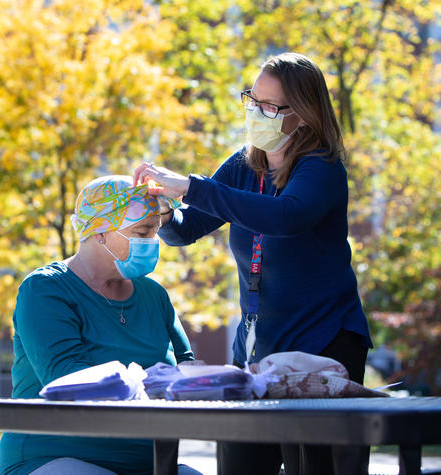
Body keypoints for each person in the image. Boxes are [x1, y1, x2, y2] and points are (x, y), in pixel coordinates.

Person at [134, 52, 373, 475]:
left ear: (302, 114)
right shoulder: (245, 164)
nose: (255, 113)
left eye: (268, 106)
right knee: (240, 463)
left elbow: (286, 216)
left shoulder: (321, 167)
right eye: (252, 100)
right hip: (257, 352)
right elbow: (184, 232)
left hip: (322, 346)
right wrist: (166, 210)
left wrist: (190, 186)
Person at [0, 176, 199, 475]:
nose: (152, 242)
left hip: (153, 463)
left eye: (155, 232)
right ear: (100, 232)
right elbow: (66, 379)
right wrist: (157, 384)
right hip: (52, 457)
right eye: (142, 231)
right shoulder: (44, 290)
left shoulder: (154, 295)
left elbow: (188, 372)